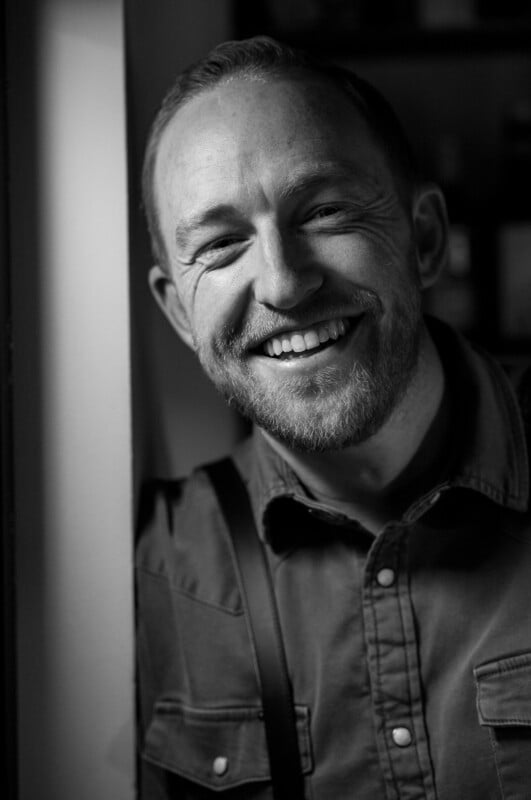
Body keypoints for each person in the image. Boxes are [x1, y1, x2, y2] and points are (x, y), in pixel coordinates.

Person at [136, 36, 531, 800]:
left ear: (423, 240)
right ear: (179, 314)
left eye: (323, 210)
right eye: (220, 247)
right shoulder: (150, 576)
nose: (283, 283)